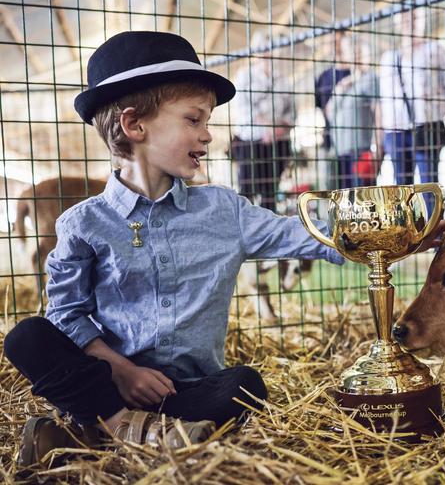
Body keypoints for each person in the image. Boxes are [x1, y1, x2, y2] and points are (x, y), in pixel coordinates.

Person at [3, 31, 344, 467]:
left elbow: (302, 234)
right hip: (108, 382)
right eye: (194, 119)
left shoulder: (224, 210)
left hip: (182, 393)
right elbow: (66, 314)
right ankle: (119, 423)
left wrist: (393, 233)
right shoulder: (83, 223)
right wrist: (120, 371)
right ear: (134, 125)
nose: (209, 136)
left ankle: (93, 433)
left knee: (245, 385)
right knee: (27, 338)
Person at [378, 7, 445, 209]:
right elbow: (384, 99)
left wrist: (438, 109)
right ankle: (405, 235)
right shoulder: (389, 58)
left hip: (427, 126)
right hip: (396, 130)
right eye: (404, 16)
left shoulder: (435, 50)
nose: (409, 20)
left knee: (429, 185)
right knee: (401, 189)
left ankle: (433, 234)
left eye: (414, 16)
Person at [230, 30, 294, 211]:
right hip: (251, 142)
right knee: (247, 192)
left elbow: (291, 111)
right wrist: (268, 128)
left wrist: (279, 129)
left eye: (271, 48)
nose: (267, 53)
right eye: (263, 48)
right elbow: (243, 108)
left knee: (270, 192)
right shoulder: (244, 76)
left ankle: (269, 232)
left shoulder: (284, 80)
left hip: (277, 144)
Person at [325, 34, 380, 189]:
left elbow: (378, 112)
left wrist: (378, 147)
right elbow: (329, 111)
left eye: (358, 50)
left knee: (361, 199)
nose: (355, 54)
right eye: (351, 50)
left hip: (360, 152)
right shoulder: (344, 83)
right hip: (340, 153)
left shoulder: (370, 79)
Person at [314, 30, 351, 190]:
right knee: (330, 188)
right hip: (330, 142)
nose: (334, 47)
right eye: (331, 42)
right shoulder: (323, 77)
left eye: (337, 42)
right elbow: (320, 109)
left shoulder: (354, 73)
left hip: (352, 143)